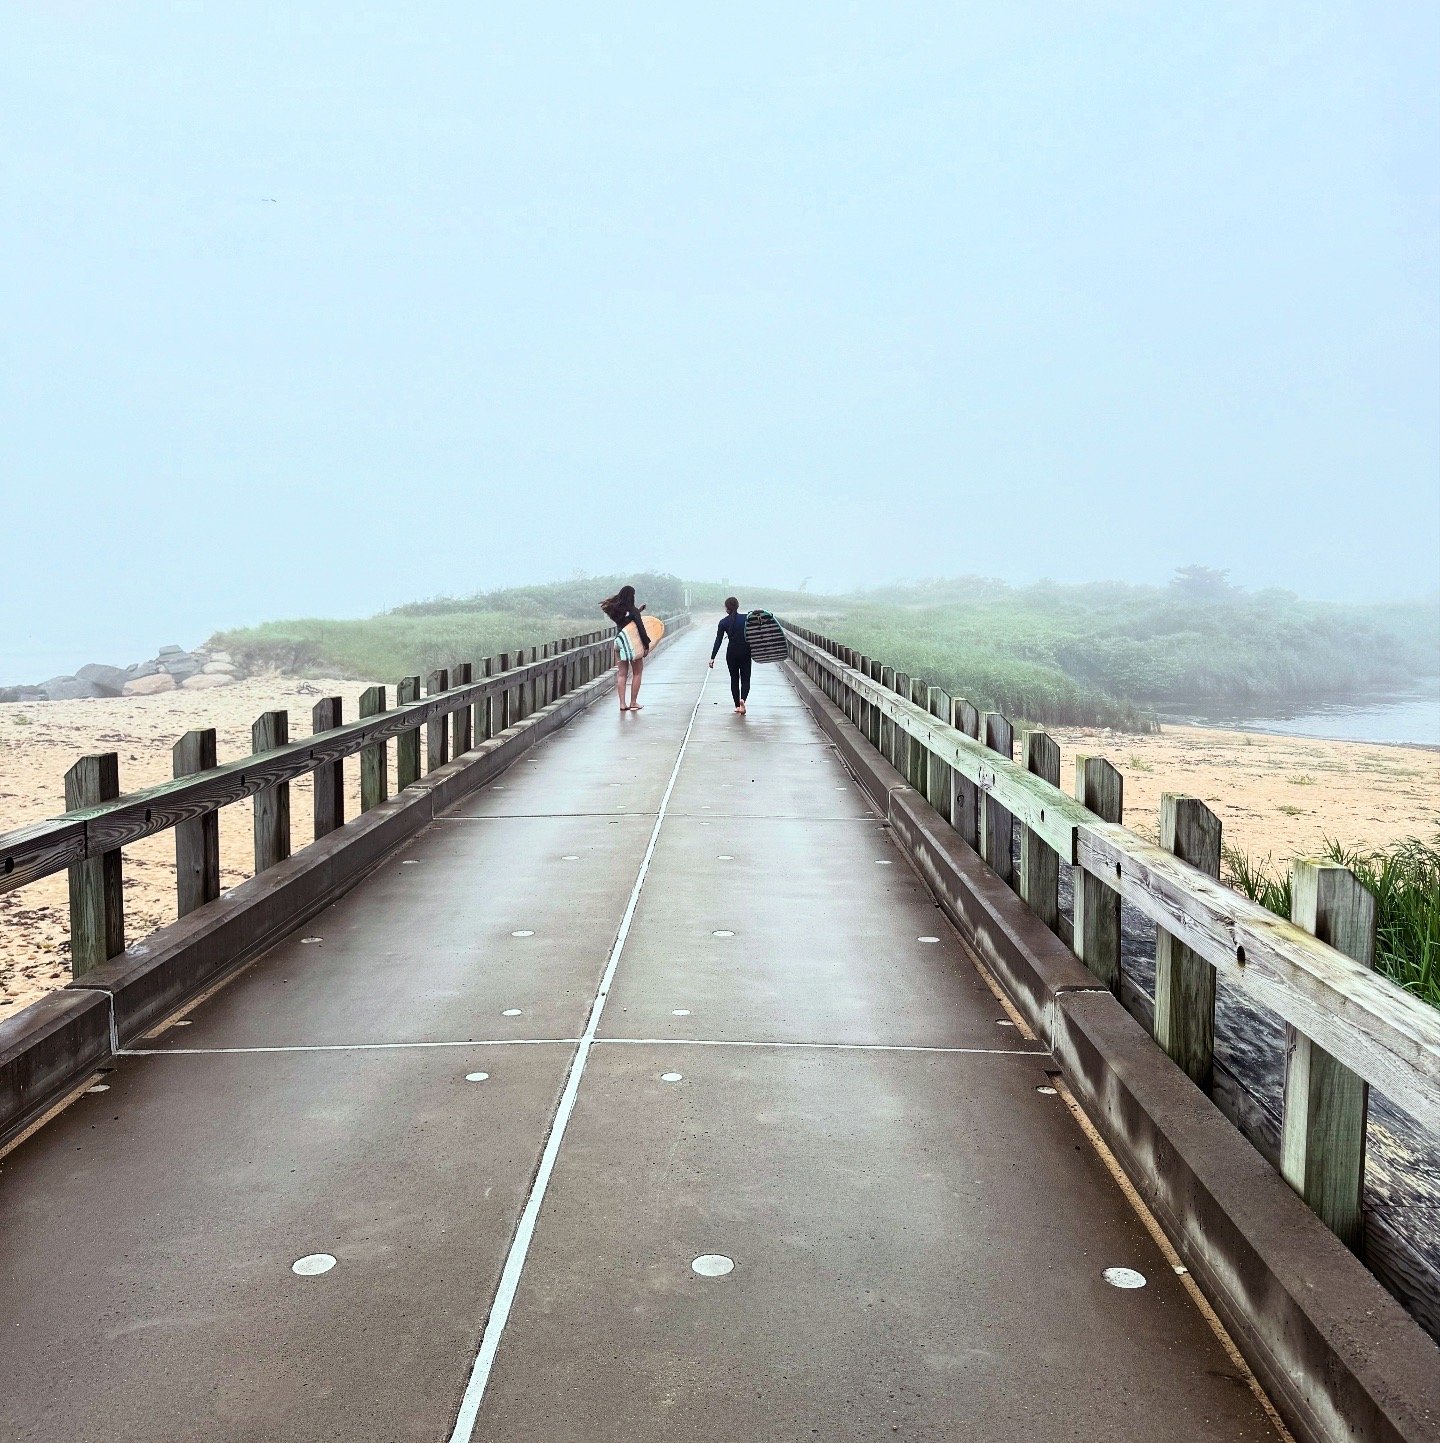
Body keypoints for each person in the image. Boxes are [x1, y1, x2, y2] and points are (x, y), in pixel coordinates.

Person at [600, 583, 652, 712]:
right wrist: (646, 645)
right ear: (631, 596)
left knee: (622, 674)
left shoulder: (615, 611)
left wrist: (639, 611)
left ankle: (622, 704)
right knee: (637, 672)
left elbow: (625, 620)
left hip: (618, 643)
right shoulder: (632, 611)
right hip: (631, 645)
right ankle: (633, 702)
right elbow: (640, 628)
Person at [708, 596, 751, 713]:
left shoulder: (723, 622)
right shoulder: (746, 618)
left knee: (734, 679)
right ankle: (743, 700)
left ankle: (737, 706)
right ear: (737, 606)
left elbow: (718, 640)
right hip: (745, 651)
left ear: (727, 608)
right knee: (746, 680)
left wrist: (712, 657)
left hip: (731, 653)